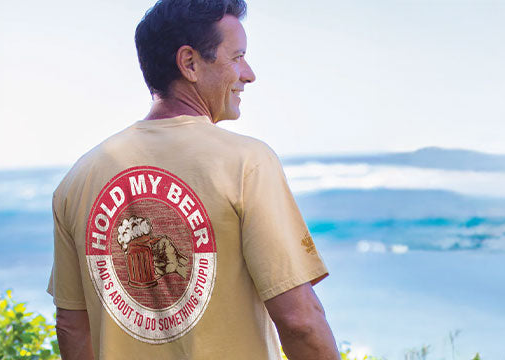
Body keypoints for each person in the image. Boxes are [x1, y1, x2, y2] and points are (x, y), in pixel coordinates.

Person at [47, 0, 338, 358]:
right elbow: (300, 322)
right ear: (190, 63)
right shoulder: (247, 164)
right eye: (237, 57)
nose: (248, 73)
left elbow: (72, 326)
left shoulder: (78, 180)